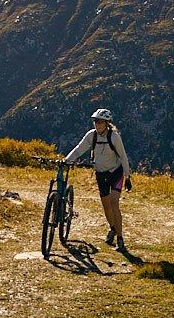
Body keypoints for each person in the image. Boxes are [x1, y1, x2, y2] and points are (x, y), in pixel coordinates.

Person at [64, 108, 132, 252]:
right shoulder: (91, 136)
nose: (97, 124)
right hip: (100, 174)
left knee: (114, 204)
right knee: (106, 207)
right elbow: (78, 149)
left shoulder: (114, 137)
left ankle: (120, 239)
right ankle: (112, 229)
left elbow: (124, 157)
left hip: (116, 173)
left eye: (100, 122)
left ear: (107, 123)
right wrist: (66, 160)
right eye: (95, 121)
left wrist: (128, 177)